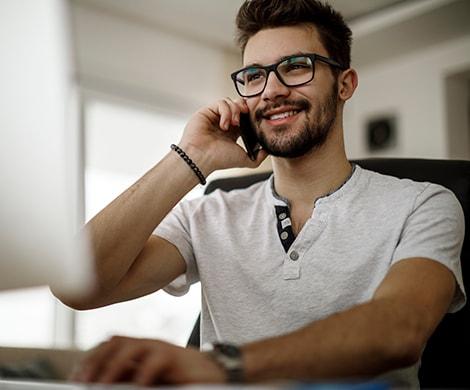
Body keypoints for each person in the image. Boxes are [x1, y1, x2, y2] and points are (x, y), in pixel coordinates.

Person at [59, 0, 466, 387]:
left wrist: (220, 365)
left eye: (295, 67)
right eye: (254, 76)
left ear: (345, 84)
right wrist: (190, 158)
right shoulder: (208, 215)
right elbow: (76, 284)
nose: (270, 90)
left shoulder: (425, 204)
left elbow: (397, 330)